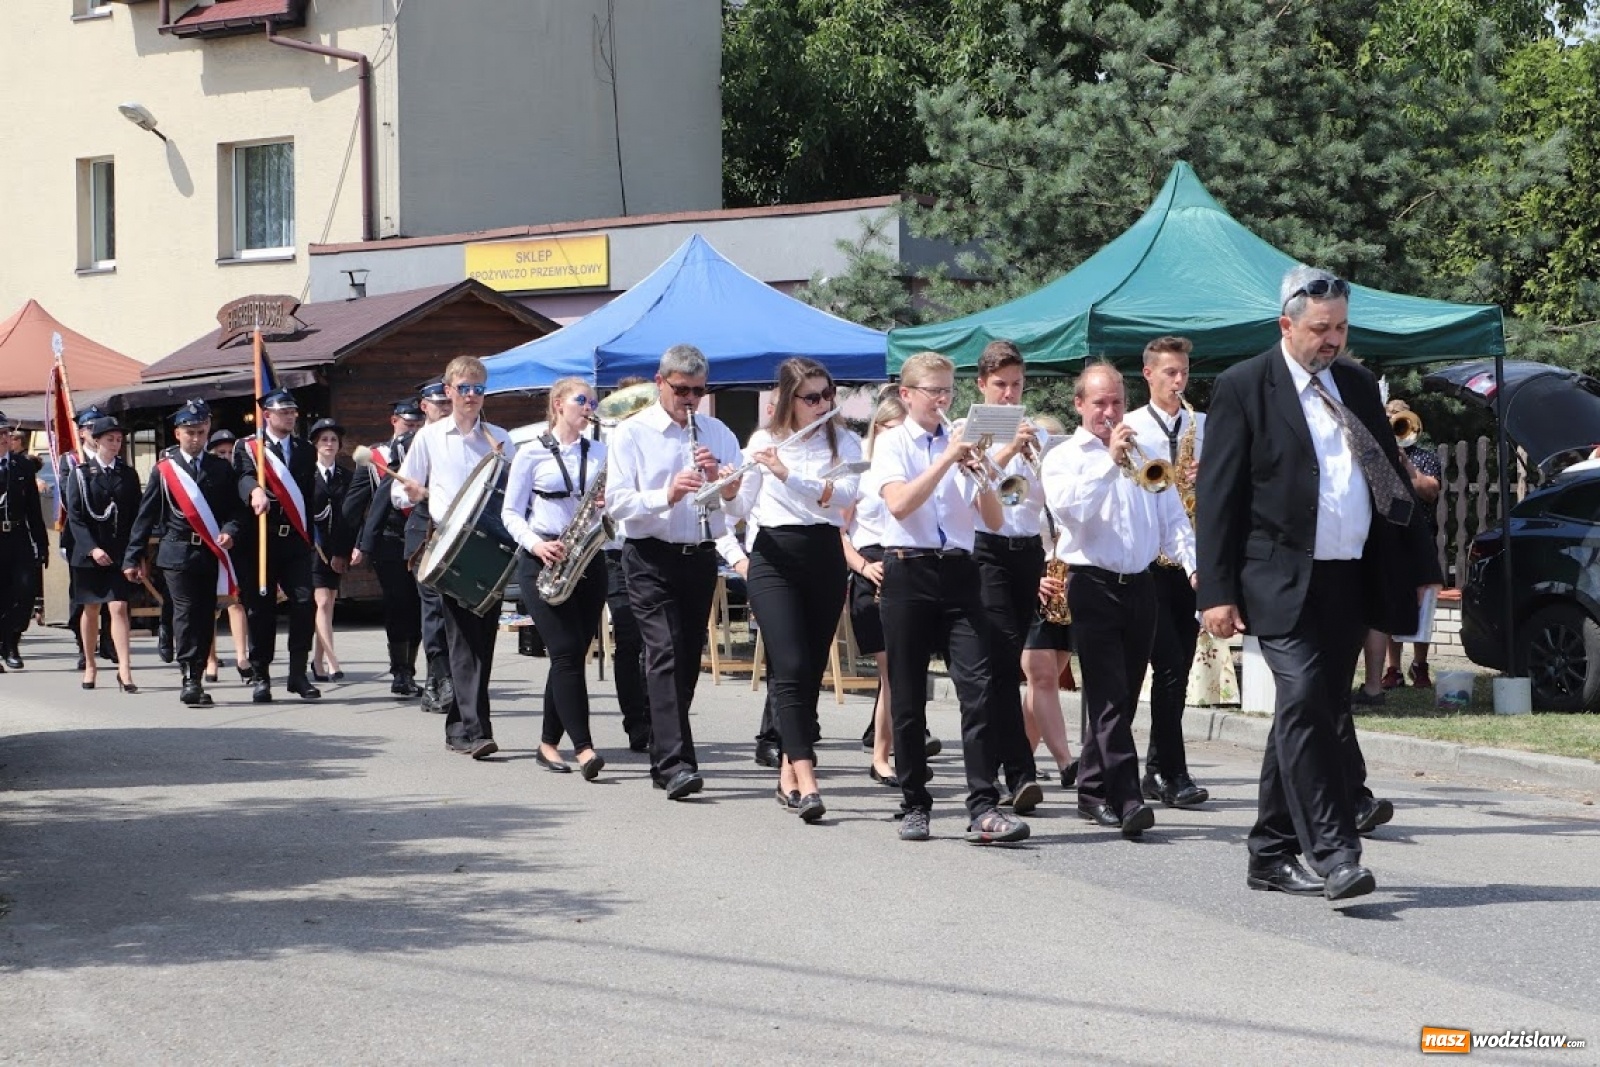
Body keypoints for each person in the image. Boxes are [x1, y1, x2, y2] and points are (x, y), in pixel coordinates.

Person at [1197, 266, 1441, 904]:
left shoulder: (1357, 384)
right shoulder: (1245, 386)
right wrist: (1215, 592)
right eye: (1320, 329)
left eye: (1340, 327)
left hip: (1347, 578)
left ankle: (1269, 853)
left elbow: (1390, 478)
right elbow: (1219, 497)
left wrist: (1419, 569)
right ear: (1287, 325)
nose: (1332, 340)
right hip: (1276, 579)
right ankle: (1335, 854)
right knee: (1308, 702)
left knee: (1306, 712)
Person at [874, 351, 1027, 845]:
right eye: (933, 392)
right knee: (908, 695)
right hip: (908, 569)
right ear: (907, 395)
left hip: (960, 573)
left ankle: (984, 804)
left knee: (978, 689)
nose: (942, 401)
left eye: (947, 392)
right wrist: (945, 460)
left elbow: (996, 519)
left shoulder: (965, 442)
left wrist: (981, 468)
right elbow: (899, 503)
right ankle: (914, 802)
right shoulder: (892, 443)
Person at [1043, 363, 1195, 840]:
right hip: (1091, 581)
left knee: (1124, 697)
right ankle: (1129, 799)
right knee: (1107, 695)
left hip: (1141, 583)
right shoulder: (1065, 457)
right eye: (1099, 403)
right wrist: (1109, 462)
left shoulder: (1147, 452)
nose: (1109, 412)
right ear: (1079, 406)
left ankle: (1091, 789)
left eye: (1115, 402)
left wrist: (1195, 568)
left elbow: (1171, 517)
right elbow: (1071, 512)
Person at [606, 344, 744, 801]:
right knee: (662, 652)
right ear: (660, 382)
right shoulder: (632, 434)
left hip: (700, 554)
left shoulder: (718, 432)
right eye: (681, 389)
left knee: (685, 660)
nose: (690, 400)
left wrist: (724, 486)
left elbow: (739, 508)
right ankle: (676, 761)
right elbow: (618, 504)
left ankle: (665, 756)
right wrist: (665, 494)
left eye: (699, 392)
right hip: (649, 555)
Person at [735, 358, 861, 822]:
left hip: (823, 551)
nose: (823, 404)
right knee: (788, 662)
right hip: (772, 554)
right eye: (812, 398)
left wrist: (790, 475)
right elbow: (741, 505)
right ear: (789, 400)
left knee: (808, 669)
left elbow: (847, 495)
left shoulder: (844, 440)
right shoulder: (763, 441)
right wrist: (724, 488)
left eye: (828, 395)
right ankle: (809, 782)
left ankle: (788, 772)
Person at [394, 357, 515, 760]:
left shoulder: (499, 438)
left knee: (483, 640)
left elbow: (514, 496)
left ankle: (460, 727)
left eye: (479, 389)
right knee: (461, 638)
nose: (472, 397)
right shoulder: (429, 437)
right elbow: (400, 492)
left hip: (491, 547)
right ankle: (476, 730)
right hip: (449, 546)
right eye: (464, 388)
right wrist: (410, 494)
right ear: (449, 391)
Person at [502, 376, 608, 780]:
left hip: (588, 558)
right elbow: (510, 513)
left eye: (592, 402)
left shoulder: (600, 452)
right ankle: (584, 748)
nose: (589, 408)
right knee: (564, 652)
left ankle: (548, 743)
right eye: (582, 400)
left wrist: (604, 503)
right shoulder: (530, 454)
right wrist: (535, 544)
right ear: (558, 404)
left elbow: (608, 507)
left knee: (572, 656)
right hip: (544, 557)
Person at [1120, 335, 1210, 809]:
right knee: (1149, 668)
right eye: (1169, 372)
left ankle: (1164, 769)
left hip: (1188, 563)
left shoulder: (1204, 426)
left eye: (1183, 372)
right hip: (1146, 563)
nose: (1179, 381)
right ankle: (1126, 768)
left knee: (1175, 672)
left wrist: (1205, 477)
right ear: (1149, 374)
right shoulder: (1130, 426)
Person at [969, 340, 1048, 814]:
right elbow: (980, 484)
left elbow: (1039, 499)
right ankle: (1019, 771)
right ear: (982, 385)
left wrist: (1039, 457)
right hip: (987, 552)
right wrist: (1007, 449)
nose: (1009, 394)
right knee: (999, 663)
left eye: (1017, 384)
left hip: (1028, 551)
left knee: (1012, 661)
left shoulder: (1034, 430)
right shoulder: (969, 429)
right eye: (1000, 385)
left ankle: (1008, 766)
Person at [123, 400, 242, 707]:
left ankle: (198, 672)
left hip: (210, 552)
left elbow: (234, 511)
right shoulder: (166, 470)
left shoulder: (220, 467)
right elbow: (145, 515)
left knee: (205, 615)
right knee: (187, 612)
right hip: (177, 551)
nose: (196, 438)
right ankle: (189, 676)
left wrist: (230, 530)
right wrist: (133, 555)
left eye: (201, 432)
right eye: (190, 432)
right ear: (178, 433)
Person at [234, 388, 320, 703]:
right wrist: (254, 490)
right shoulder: (249, 448)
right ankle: (261, 675)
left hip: (295, 538)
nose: (290, 416)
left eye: (292, 411)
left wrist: (312, 537)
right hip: (260, 540)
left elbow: (308, 497)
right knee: (261, 609)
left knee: (304, 601)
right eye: (283, 411)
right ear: (267, 415)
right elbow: (241, 477)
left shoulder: (305, 450)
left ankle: (298, 673)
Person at [1356, 398, 1444, 703]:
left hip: (1417, 537)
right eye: (1389, 417)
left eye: (1397, 418)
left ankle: (1419, 664)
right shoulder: (1375, 454)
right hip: (1388, 536)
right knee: (1389, 602)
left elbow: (1431, 492)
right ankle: (1392, 669)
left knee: (1421, 605)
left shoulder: (1423, 457)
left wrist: (1406, 466)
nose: (1393, 423)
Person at [843, 389, 908, 788]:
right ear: (877, 428)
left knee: (901, 670)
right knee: (891, 669)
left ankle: (892, 749)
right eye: (892, 429)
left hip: (906, 561)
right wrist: (864, 567)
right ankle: (883, 755)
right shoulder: (860, 470)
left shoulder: (911, 467)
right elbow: (838, 533)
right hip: (870, 565)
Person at [351, 399, 427, 698]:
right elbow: (362, 505)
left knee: (422, 607)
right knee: (399, 605)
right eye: (409, 424)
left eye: (419, 425)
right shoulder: (379, 457)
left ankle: (415, 670)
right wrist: (355, 545)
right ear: (394, 421)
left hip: (422, 539)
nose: (414, 430)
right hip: (391, 542)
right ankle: (401, 672)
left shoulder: (428, 456)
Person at [62, 415, 143, 692]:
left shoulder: (128, 474)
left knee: (119, 607)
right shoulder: (82, 474)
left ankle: (125, 669)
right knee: (91, 608)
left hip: (119, 551)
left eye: (119, 440)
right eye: (110, 439)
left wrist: (136, 554)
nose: (116, 444)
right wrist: (92, 549)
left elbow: (136, 516)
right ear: (96, 441)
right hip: (89, 553)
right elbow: (75, 517)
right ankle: (91, 664)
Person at [1018, 413, 1077, 789]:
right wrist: (1031, 578)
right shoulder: (1021, 484)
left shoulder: (1066, 484)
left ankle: (1017, 766)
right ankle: (1067, 761)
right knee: (1039, 675)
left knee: (1048, 679)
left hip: (1065, 580)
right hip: (1033, 577)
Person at [602, 376, 654, 753]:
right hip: (614, 551)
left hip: (650, 545)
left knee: (658, 642)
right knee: (629, 639)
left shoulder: (658, 442)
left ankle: (658, 718)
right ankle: (636, 723)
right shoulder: (608, 445)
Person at [408, 380, 456, 714]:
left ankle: (444, 680)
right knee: (435, 610)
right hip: (425, 538)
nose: (445, 408)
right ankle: (440, 679)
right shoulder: (414, 442)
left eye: (447, 402)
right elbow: (391, 495)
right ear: (424, 406)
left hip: (459, 538)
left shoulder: (461, 440)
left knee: (453, 611)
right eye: (439, 404)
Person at [61, 406, 115, 672]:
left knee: (111, 594)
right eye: (90, 428)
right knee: (82, 597)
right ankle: (84, 646)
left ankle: (107, 641)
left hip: (108, 534)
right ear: (82, 432)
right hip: (79, 537)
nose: (95, 432)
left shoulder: (111, 456)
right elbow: (67, 496)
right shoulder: (71, 461)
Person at [307, 417, 360, 682]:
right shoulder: (306, 474)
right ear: (316, 443)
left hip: (336, 546)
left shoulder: (346, 476)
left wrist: (351, 547)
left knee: (327, 606)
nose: (329, 444)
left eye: (333, 440)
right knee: (323, 601)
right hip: (312, 546)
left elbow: (353, 515)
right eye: (324, 439)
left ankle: (316, 661)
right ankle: (331, 660)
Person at [0, 410, 48, 673]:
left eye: (6, 434)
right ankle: (4, 644)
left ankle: (12, 641)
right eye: (0, 434)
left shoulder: (22, 466)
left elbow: (33, 510)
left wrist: (42, 545)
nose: (4, 438)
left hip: (17, 536)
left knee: (25, 591)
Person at [202, 429, 251, 685]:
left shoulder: (242, 476)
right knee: (209, 605)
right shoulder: (209, 475)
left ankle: (242, 657)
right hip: (210, 543)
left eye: (231, 452)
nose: (227, 457)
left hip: (237, 543)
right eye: (221, 452)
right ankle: (211, 660)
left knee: (237, 600)